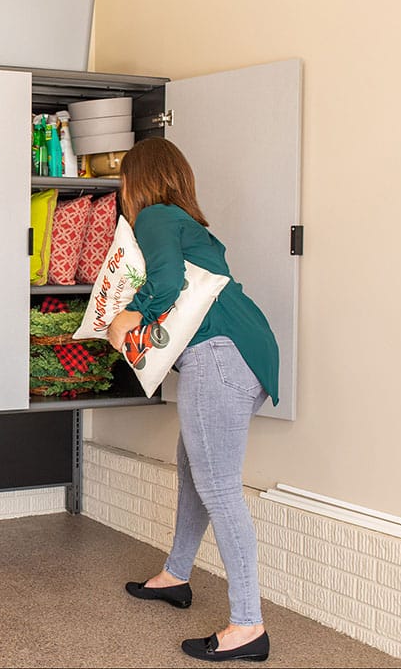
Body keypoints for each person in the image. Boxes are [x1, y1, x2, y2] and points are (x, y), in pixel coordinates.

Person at [106, 137, 279, 663]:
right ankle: (175, 576)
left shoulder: (155, 216)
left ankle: (248, 626)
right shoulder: (188, 223)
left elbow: (165, 282)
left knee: (219, 487)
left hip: (220, 356)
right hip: (248, 351)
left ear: (138, 181)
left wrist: (126, 316)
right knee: (195, 470)